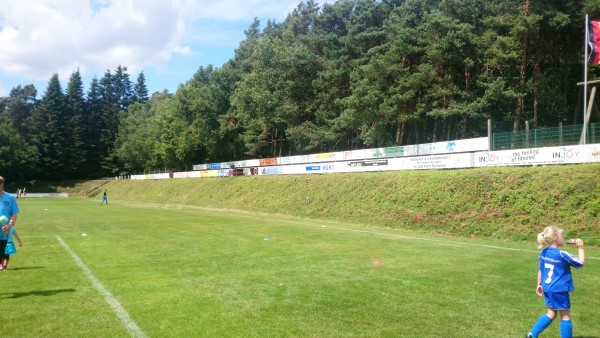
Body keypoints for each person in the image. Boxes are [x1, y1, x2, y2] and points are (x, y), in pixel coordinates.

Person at [525, 225, 585, 338]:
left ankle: (532, 334)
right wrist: (580, 248)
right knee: (565, 316)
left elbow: (541, 269)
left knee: (551, 313)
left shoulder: (544, 252)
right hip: (559, 290)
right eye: (562, 235)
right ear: (556, 238)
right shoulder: (562, 254)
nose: (564, 238)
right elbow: (580, 263)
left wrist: (539, 284)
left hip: (547, 288)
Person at [0, 176, 20, 265]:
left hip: (4, 232)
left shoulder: (10, 198)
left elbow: (14, 214)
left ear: (2, 184)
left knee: (2, 256)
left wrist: (10, 224)